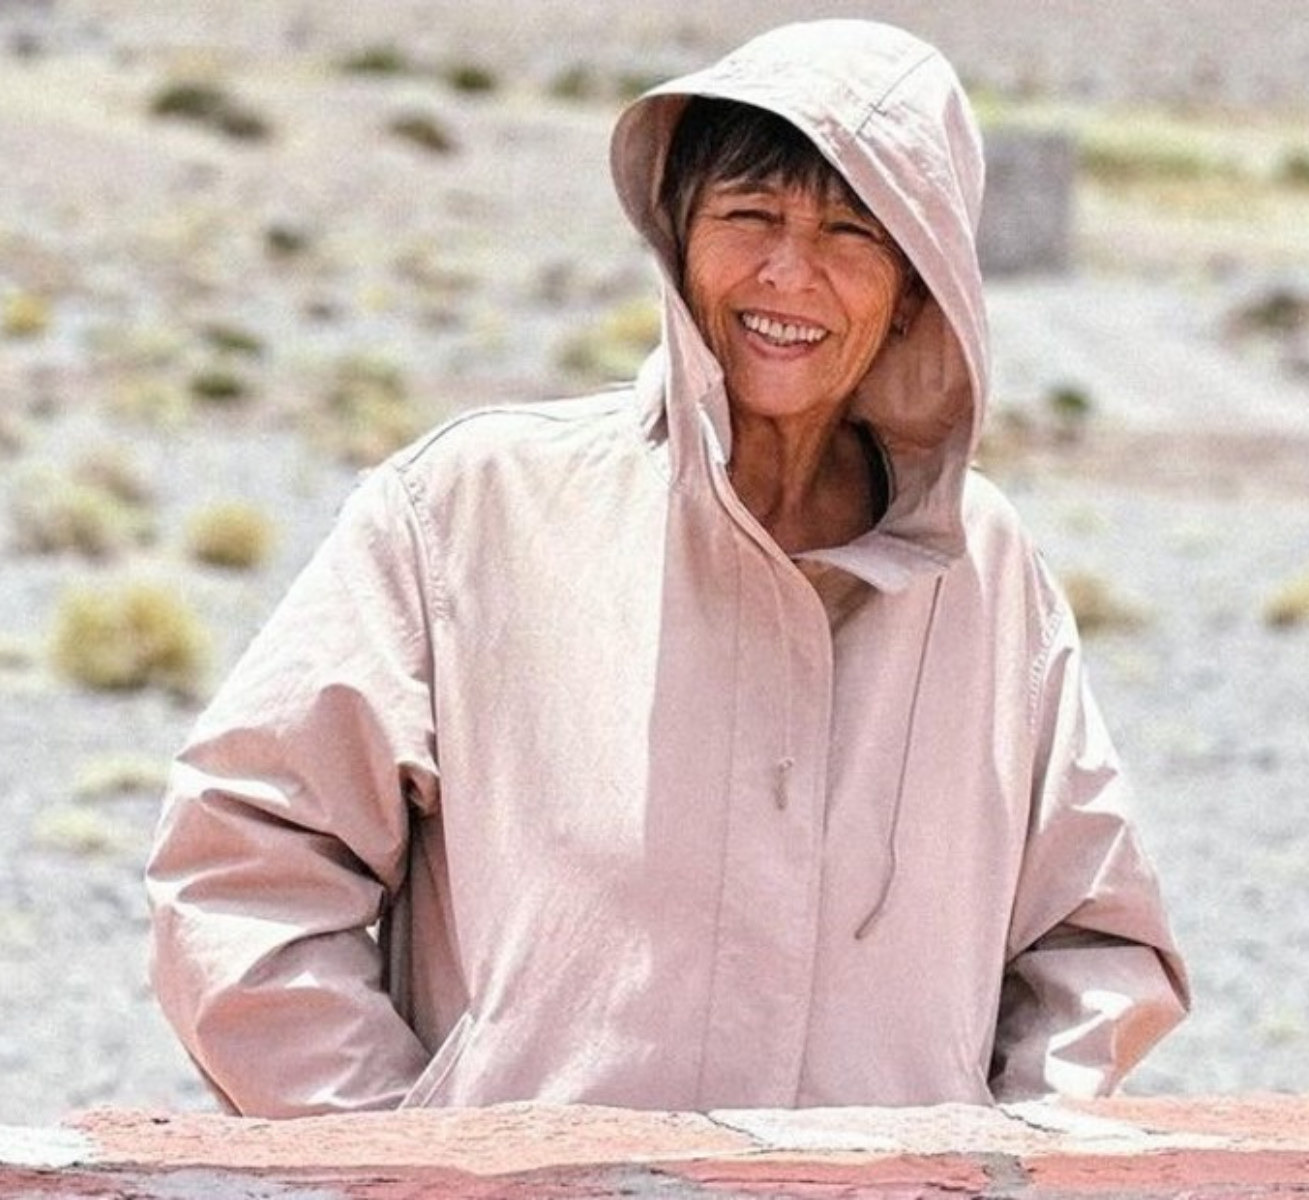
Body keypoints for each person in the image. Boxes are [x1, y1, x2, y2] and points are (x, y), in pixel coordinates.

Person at [146, 18, 1188, 1116]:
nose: (791, 273)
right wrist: (403, 1160)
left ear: (919, 285)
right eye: (749, 215)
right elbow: (243, 863)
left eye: (852, 232)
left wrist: (1003, 1160)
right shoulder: (476, 505)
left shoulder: (986, 572)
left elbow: (1094, 945)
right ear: (676, 235)